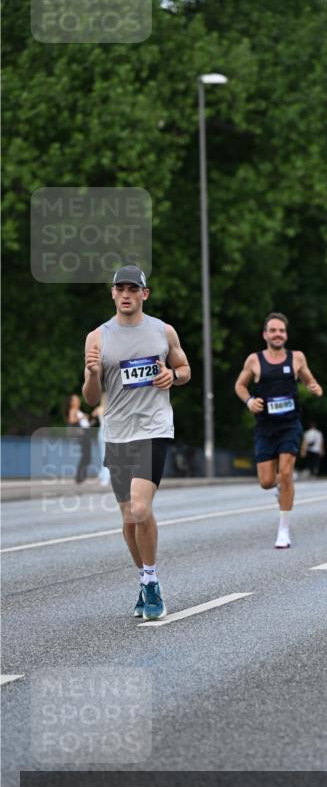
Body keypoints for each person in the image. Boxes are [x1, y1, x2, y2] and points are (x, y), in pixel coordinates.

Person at [82, 265, 191, 621]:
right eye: (120, 288)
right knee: (129, 518)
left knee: (142, 509)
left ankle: (152, 581)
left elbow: (185, 369)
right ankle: (145, 581)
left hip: (153, 428)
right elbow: (89, 396)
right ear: (112, 293)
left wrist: (172, 376)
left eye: (133, 288)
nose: (126, 294)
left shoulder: (163, 331)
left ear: (145, 294)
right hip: (117, 433)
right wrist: (94, 375)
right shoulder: (97, 337)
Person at [235, 312, 323, 548]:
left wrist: (314, 387)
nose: (277, 334)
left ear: (286, 334)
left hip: (289, 425)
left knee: (285, 474)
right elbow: (240, 385)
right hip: (265, 427)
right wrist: (249, 401)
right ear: (265, 334)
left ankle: (283, 531)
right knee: (266, 481)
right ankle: (281, 489)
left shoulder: (297, 358)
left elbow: (309, 380)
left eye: (281, 331)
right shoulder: (254, 360)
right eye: (273, 330)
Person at [66, 394, 93, 484]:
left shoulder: (78, 410)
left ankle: (81, 477)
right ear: (72, 402)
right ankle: (79, 478)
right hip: (82, 435)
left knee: (87, 456)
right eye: (76, 400)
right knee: (86, 456)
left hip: (86, 433)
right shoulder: (73, 410)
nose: (78, 401)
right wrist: (82, 417)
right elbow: (72, 420)